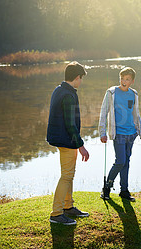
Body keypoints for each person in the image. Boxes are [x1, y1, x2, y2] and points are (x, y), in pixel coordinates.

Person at [47, 61, 90, 225]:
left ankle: (68, 206)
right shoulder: (68, 95)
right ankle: (56, 214)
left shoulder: (59, 89)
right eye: (81, 79)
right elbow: (70, 124)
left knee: (69, 174)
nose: (81, 82)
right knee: (66, 176)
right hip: (66, 140)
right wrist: (81, 146)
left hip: (63, 139)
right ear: (77, 77)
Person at [99, 67, 141, 201]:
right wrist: (102, 132)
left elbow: (135, 113)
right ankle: (107, 187)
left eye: (127, 79)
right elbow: (103, 113)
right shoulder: (111, 93)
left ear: (132, 81)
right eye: (122, 78)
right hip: (118, 133)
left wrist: (138, 129)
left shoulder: (133, 94)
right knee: (120, 161)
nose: (124, 81)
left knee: (127, 162)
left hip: (131, 133)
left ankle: (124, 190)